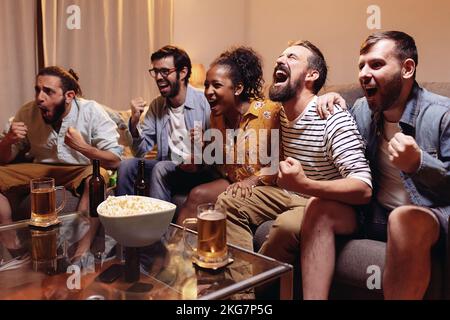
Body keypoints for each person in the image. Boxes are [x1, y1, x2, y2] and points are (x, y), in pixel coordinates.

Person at [300, 31, 450, 300]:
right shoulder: (361, 109)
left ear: (407, 68)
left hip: (428, 215)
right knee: (318, 207)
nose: (364, 73)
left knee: (403, 218)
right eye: (362, 65)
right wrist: (328, 98)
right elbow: (345, 147)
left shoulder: (442, 114)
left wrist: (418, 164)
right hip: (377, 214)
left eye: (377, 64)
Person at [216, 40, 373, 270]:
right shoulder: (278, 114)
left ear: (312, 75)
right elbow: (247, 109)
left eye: (292, 57)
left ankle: (245, 289)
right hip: (289, 194)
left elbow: (363, 188)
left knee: (288, 225)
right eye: (281, 56)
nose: (280, 60)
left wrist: (304, 184)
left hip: (328, 204)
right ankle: (241, 297)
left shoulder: (331, 117)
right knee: (228, 201)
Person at [0, 66, 122, 226]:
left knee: (97, 176)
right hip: (40, 172)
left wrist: (83, 147)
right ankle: (8, 231)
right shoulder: (27, 112)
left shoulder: (92, 111)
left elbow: (115, 161)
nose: (39, 98)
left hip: (81, 170)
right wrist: (8, 140)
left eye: (48, 91)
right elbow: (4, 158)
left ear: (69, 96)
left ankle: (82, 238)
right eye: (37, 90)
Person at [175, 46, 281, 225]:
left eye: (216, 85)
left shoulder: (269, 113)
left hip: (267, 187)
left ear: (238, 88)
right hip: (233, 182)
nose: (208, 92)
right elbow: (221, 161)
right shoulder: (217, 118)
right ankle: (177, 249)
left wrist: (252, 181)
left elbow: (280, 162)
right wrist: (203, 147)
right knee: (196, 195)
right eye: (207, 85)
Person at [116, 45, 215, 203]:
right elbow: (140, 151)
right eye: (155, 71)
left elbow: (221, 146)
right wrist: (134, 123)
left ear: (182, 72)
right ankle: (122, 221)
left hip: (199, 169)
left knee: (160, 167)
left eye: (165, 71)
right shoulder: (157, 106)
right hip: (169, 167)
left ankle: (157, 226)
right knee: (126, 166)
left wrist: (204, 146)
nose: (158, 77)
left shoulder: (205, 102)